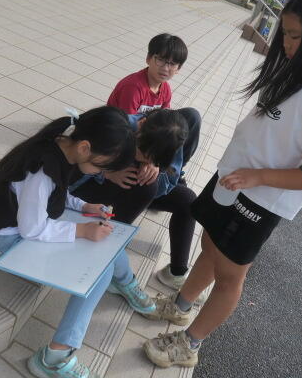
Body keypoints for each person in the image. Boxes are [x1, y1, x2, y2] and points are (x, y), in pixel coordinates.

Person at [142, 0, 302, 368]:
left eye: (295, 36)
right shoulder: (298, 72)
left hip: (259, 197)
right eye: (285, 33)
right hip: (234, 179)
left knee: (230, 275)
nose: (286, 43)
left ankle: (190, 344)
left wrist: (257, 177)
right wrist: (245, 173)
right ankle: (181, 305)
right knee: (210, 245)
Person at [0, 105, 156, 378]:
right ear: (86, 148)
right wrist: (82, 230)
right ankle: (54, 359)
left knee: (106, 243)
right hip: (8, 242)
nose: (102, 172)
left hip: (22, 224)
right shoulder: (43, 171)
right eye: (102, 166)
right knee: (97, 273)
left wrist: (85, 206)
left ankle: (125, 282)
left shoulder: (62, 143)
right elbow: (32, 229)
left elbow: (57, 192)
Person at [69, 107, 202, 292]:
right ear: (141, 124)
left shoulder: (169, 144)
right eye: (142, 151)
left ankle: (176, 273)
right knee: (146, 186)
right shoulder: (116, 127)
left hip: (133, 189)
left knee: (188, 200)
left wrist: (157, 169)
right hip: (89, 185)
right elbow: (75, 168)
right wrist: (107, 172)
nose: (144, 158)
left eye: (152, 158)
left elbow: (168, 184)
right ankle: (108, 254)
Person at [107, 33, 188, 114]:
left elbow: (164, 117)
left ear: (178, 69)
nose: (165, 68)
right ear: (148, 58)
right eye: (160, 60)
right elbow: (126, 121)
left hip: (144, 121)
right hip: (118, 121)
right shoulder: (133, 88)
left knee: (190, 114)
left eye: (172, 64)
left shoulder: (166, 89)